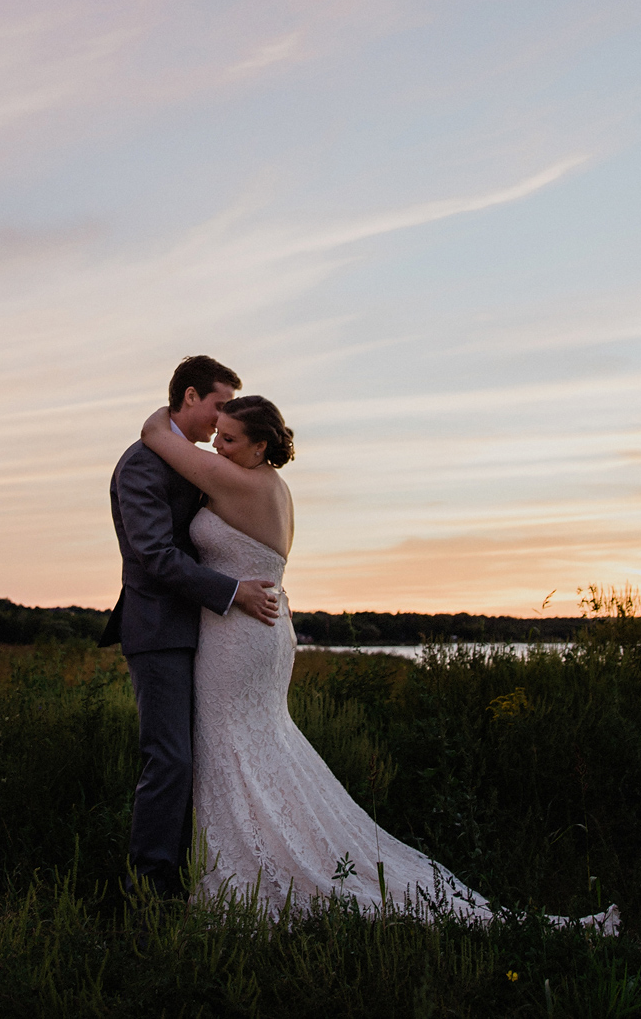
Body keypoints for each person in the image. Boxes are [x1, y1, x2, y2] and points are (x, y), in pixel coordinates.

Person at [132, 391, 497, 920]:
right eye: (217, 435)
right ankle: (270, 852)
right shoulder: (277, 488)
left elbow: (153, 434)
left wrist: (176, 406)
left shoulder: (235, 480)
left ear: (260, 447)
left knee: (227, 745)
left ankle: (247, 876)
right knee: (257, 744)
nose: (217, 444)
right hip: (265, 628)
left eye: (230, 438)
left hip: (239, 633)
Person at [101, 355, 282, 899]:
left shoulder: (188, 458)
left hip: (205, 631)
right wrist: (230, 591)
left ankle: (192, 873)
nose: (224, 417)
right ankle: (150, 889)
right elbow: (154, 554)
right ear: (189, 398)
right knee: (170, 759)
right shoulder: (141, 465)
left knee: (198, 757)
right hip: (159, 629)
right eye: (219, 404)